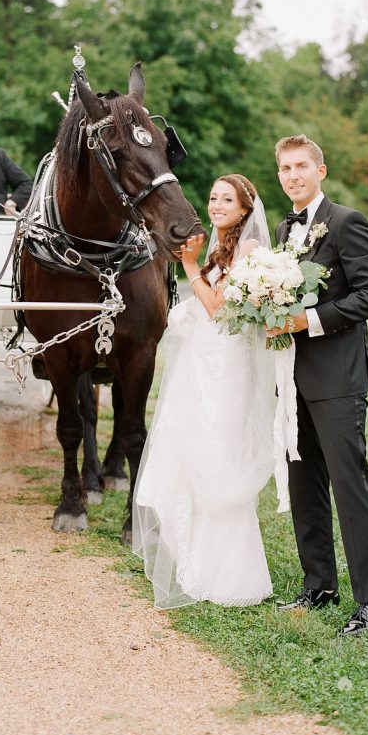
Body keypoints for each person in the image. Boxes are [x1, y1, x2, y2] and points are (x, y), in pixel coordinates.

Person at [268, 134, 368, 636]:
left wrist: (309, 320)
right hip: (293, 379)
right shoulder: (283, 228)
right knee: (305, 485)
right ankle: (318, 585)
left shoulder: (347, 222)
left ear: (321, 170)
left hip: (338, 379)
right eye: (284, 168)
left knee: (350, 485)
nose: (292, 176)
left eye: (301, 166)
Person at [132, 174, 276, 608]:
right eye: (213, 198)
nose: (216, 205)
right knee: (188, 454)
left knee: (218, 456)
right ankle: (196, 561)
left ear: (245, 209)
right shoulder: (217, 250)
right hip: (201, 366)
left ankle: (231, 573)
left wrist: (190, 268)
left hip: (228, 368)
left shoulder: (250, 251)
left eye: (226, 199)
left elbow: (220, 312)